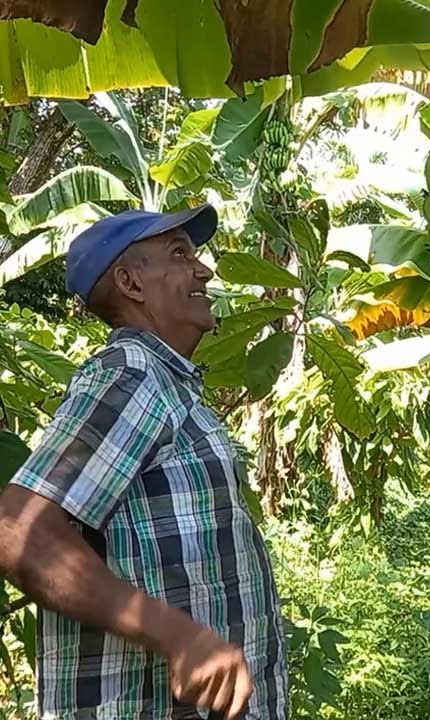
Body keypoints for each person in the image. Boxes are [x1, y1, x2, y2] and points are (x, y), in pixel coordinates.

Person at [0, 205, 288, 719]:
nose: (204, 270)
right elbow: (19, 532)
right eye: (180, 255)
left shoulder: (169, 387)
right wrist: (175, 633)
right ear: (131, 283)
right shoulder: (132, 375)